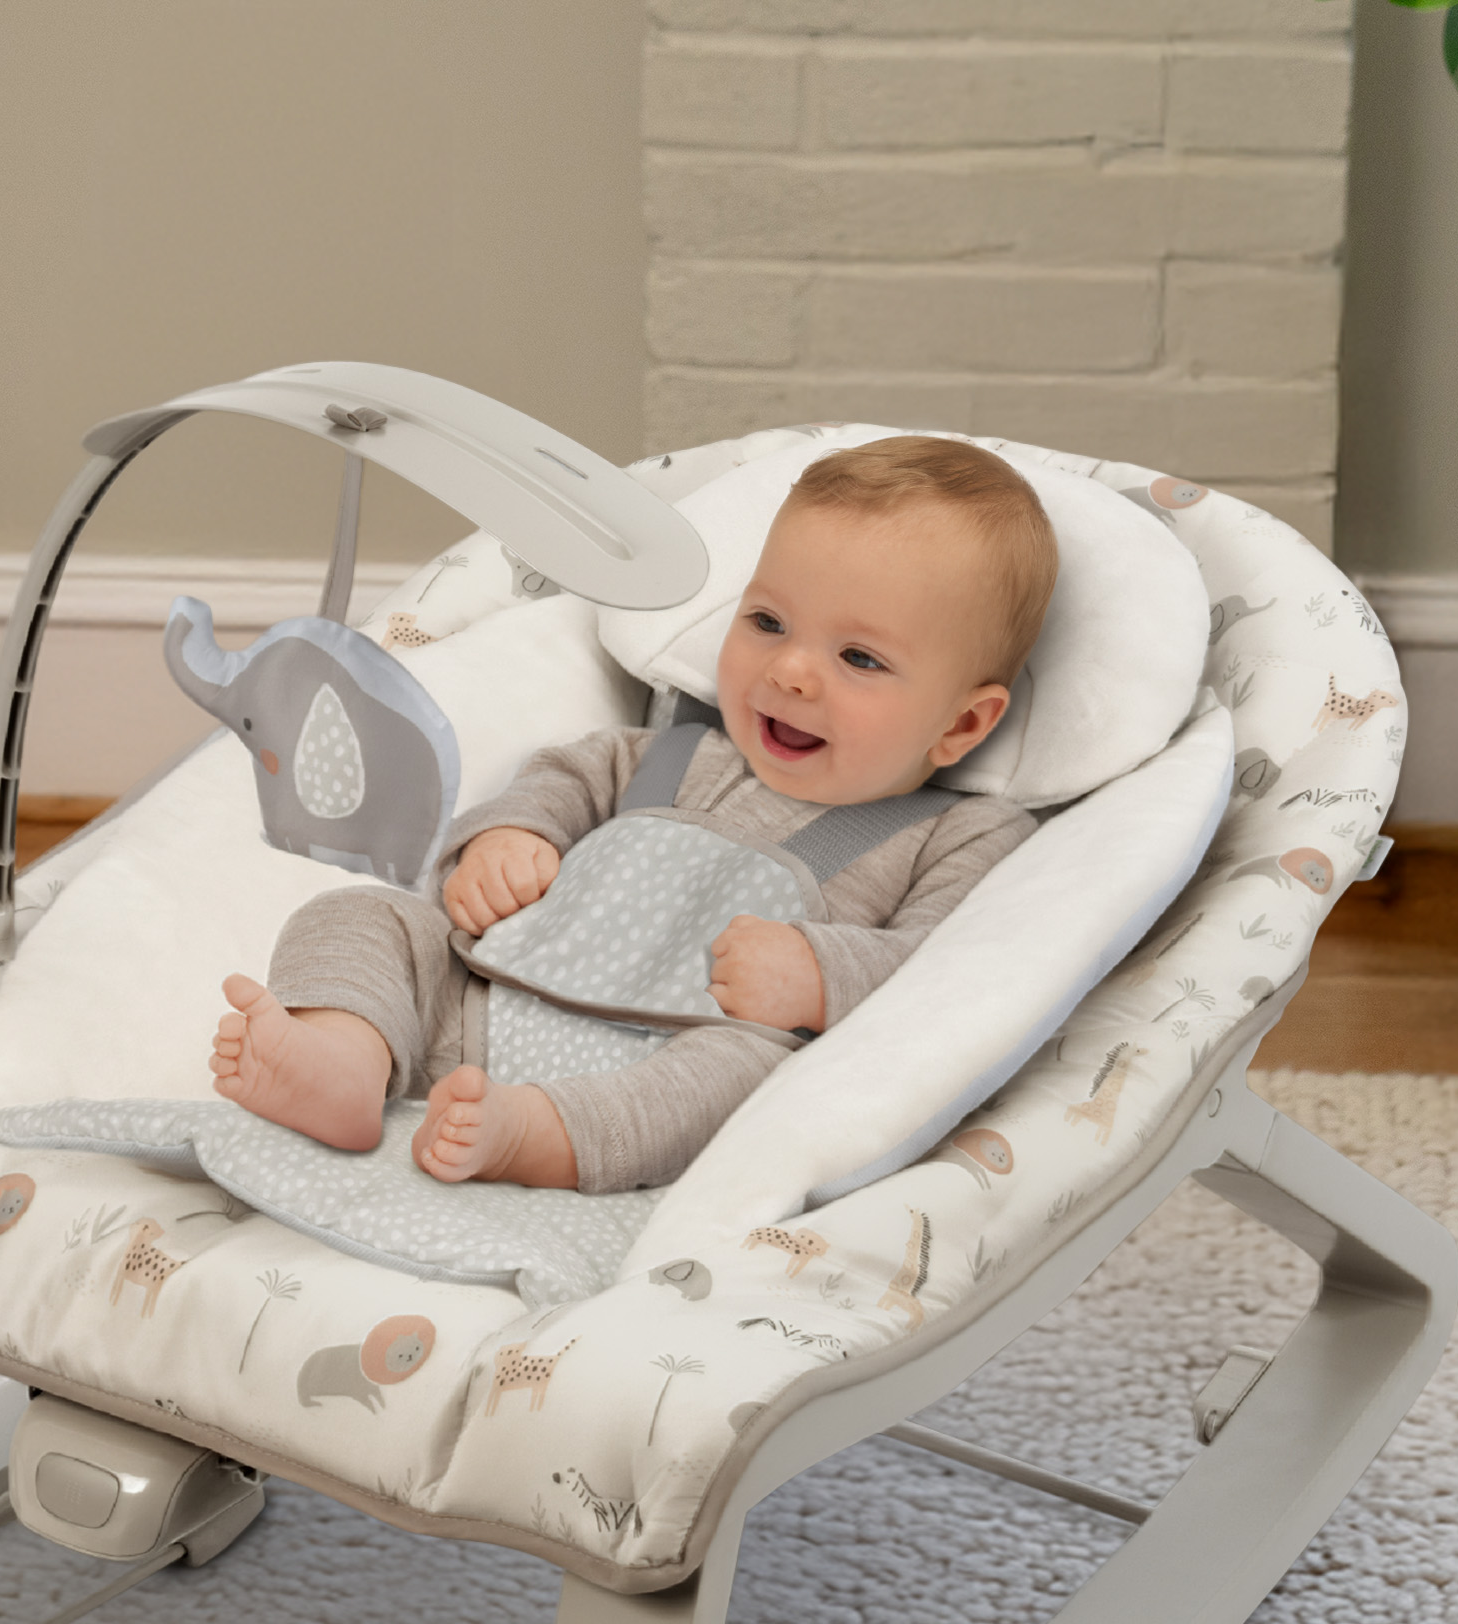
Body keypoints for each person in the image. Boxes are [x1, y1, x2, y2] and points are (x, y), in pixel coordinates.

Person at [207, 436, 1059, 1194]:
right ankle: (347, 1059)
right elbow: (556, 784)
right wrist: (508, 839)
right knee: (364, 915)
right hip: (481, 1004)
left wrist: (819, 972)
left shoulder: (962, 835)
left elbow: (949, 975)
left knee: (745, 1072)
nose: (791, 671)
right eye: (768, 621)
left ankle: (534, 1136)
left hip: (672, 1062)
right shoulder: (662, 753)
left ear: (962, 724)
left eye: (860, 657)